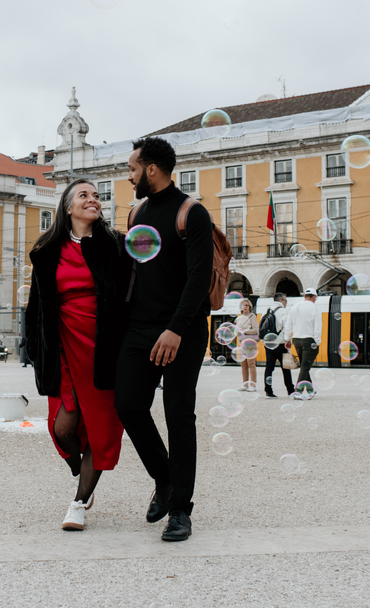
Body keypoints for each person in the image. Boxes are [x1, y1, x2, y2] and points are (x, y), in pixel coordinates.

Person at [114, 137, 214, 543]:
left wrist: (174, 329)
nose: (130, 175)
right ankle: (164, 478)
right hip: (140, 328)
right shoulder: (137, 211)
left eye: (133, 168)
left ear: (151, 168)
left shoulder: (192, 213)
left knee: (178, 415)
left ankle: (181, 511)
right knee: (128, 405)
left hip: (184, 330)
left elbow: (198, 279)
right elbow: (132, 271)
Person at [24, 178, 125, 531]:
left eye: (96, 196)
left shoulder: (116, 246)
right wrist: (34, 347)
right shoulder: (48, 250)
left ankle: (79, 503)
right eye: (84, 195)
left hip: (104, 346)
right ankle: (81, 468)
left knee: (100, 428)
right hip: (63, 343)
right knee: (62, 427)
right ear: (68, 207)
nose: (93, 199)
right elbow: (35, 306)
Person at [286, 290, 322, 398]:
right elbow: (317, 327)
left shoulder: (294, 307)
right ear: (314, 296)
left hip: (296, 340)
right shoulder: (315, 308)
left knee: (304, 365)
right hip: (309, 340)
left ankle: (310, 391)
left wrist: (287, 339)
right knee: (305, 367)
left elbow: (288, 324)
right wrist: (317, 341)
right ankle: (298, 392)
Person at [262, 293, 294, 398]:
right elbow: (287, 328)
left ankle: (268, 391)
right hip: (280, 344)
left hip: (269, 344)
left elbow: (262, 328)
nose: (286, 303)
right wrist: (288, 340)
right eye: (285, 300)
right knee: (286, 368)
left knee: (269, 368)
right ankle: (290, 391)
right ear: (281, 300)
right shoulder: (285, 311)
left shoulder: (266, 311)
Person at [234, 299, 259, 391]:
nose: (245, 307)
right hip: (241, 343)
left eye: (247, 305)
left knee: (251, 364)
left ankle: (253, 385)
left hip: (250, 343)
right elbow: (236, 331)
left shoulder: (252, 316)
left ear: (250, 307)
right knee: (243, 364)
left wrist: (244, 331)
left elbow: (256, 330)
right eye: (244, 305)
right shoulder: (239, 317)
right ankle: (245, 384)